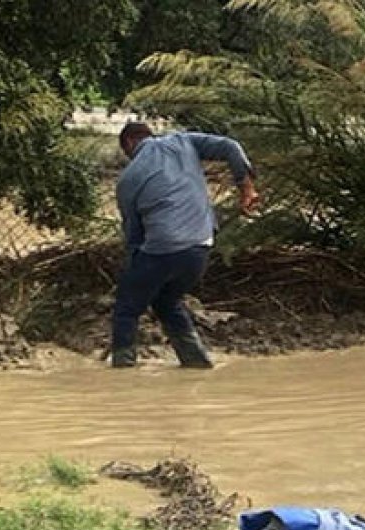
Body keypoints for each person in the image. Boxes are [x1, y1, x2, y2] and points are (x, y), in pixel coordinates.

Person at [111, 122, 259, 369]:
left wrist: (135, 274)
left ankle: (122, 369)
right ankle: (196, 361)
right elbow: (231, 147)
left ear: (128, 144)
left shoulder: (128, 179)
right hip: (201, 247)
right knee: (166, 302)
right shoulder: (184, 141)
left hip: (162, 250)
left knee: (127, 308)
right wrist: (246, 189)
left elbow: (134, 237)